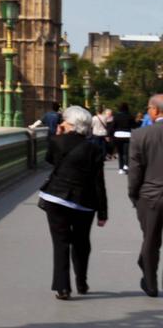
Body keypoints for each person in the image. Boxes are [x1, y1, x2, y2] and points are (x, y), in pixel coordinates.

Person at [41, 105, 109, 299]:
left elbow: (50, 161)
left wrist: (57, 135)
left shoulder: (56, 141)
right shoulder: (94, 149)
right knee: (81, 242)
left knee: (60, 242)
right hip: (83, 200)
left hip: (56, 197)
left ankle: (63, 288)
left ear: (70, 124)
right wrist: (103, 212)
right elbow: (99, 182)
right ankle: (81, 281)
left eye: (63, 121)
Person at [132, 94, 163, 298]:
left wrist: (134, 195)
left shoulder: (140, 135)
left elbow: (135, 171)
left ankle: (151, 284)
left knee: (151, 241)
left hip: (151, 196)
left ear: (155, 110)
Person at [117, 103, 137, 173]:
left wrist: (110, 134)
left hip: (118, 135)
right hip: (127, 135)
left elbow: (113, 126)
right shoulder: (130, 116)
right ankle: (126, 165)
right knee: (127, 152)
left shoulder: (117, 116)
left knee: (120, 153)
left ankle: (120, 168)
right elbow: (134, 126)